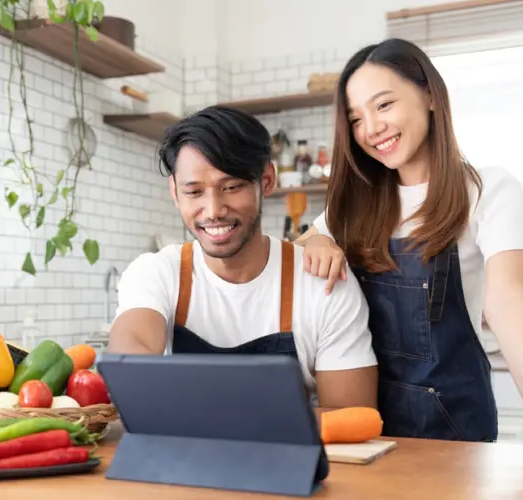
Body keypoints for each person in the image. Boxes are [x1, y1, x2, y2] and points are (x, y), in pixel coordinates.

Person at [295, 37, 523, 444]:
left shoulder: (489, 191)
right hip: (365, 430)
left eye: (383, 105)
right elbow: (309, 238)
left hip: (455, 428)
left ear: (430, 96)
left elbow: (505, 299)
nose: (371, 129)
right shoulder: (356, 205)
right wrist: (314, 243)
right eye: (356, 118)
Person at [107, 105, 378, 413]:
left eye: (232, 187)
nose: (213, 210)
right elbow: (131, 357)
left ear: (266, 180)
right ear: (174, 192)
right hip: (186, 457)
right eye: (194, 192)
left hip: (293, 460)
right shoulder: (157, 273)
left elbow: (352, 419)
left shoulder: (322, 283)